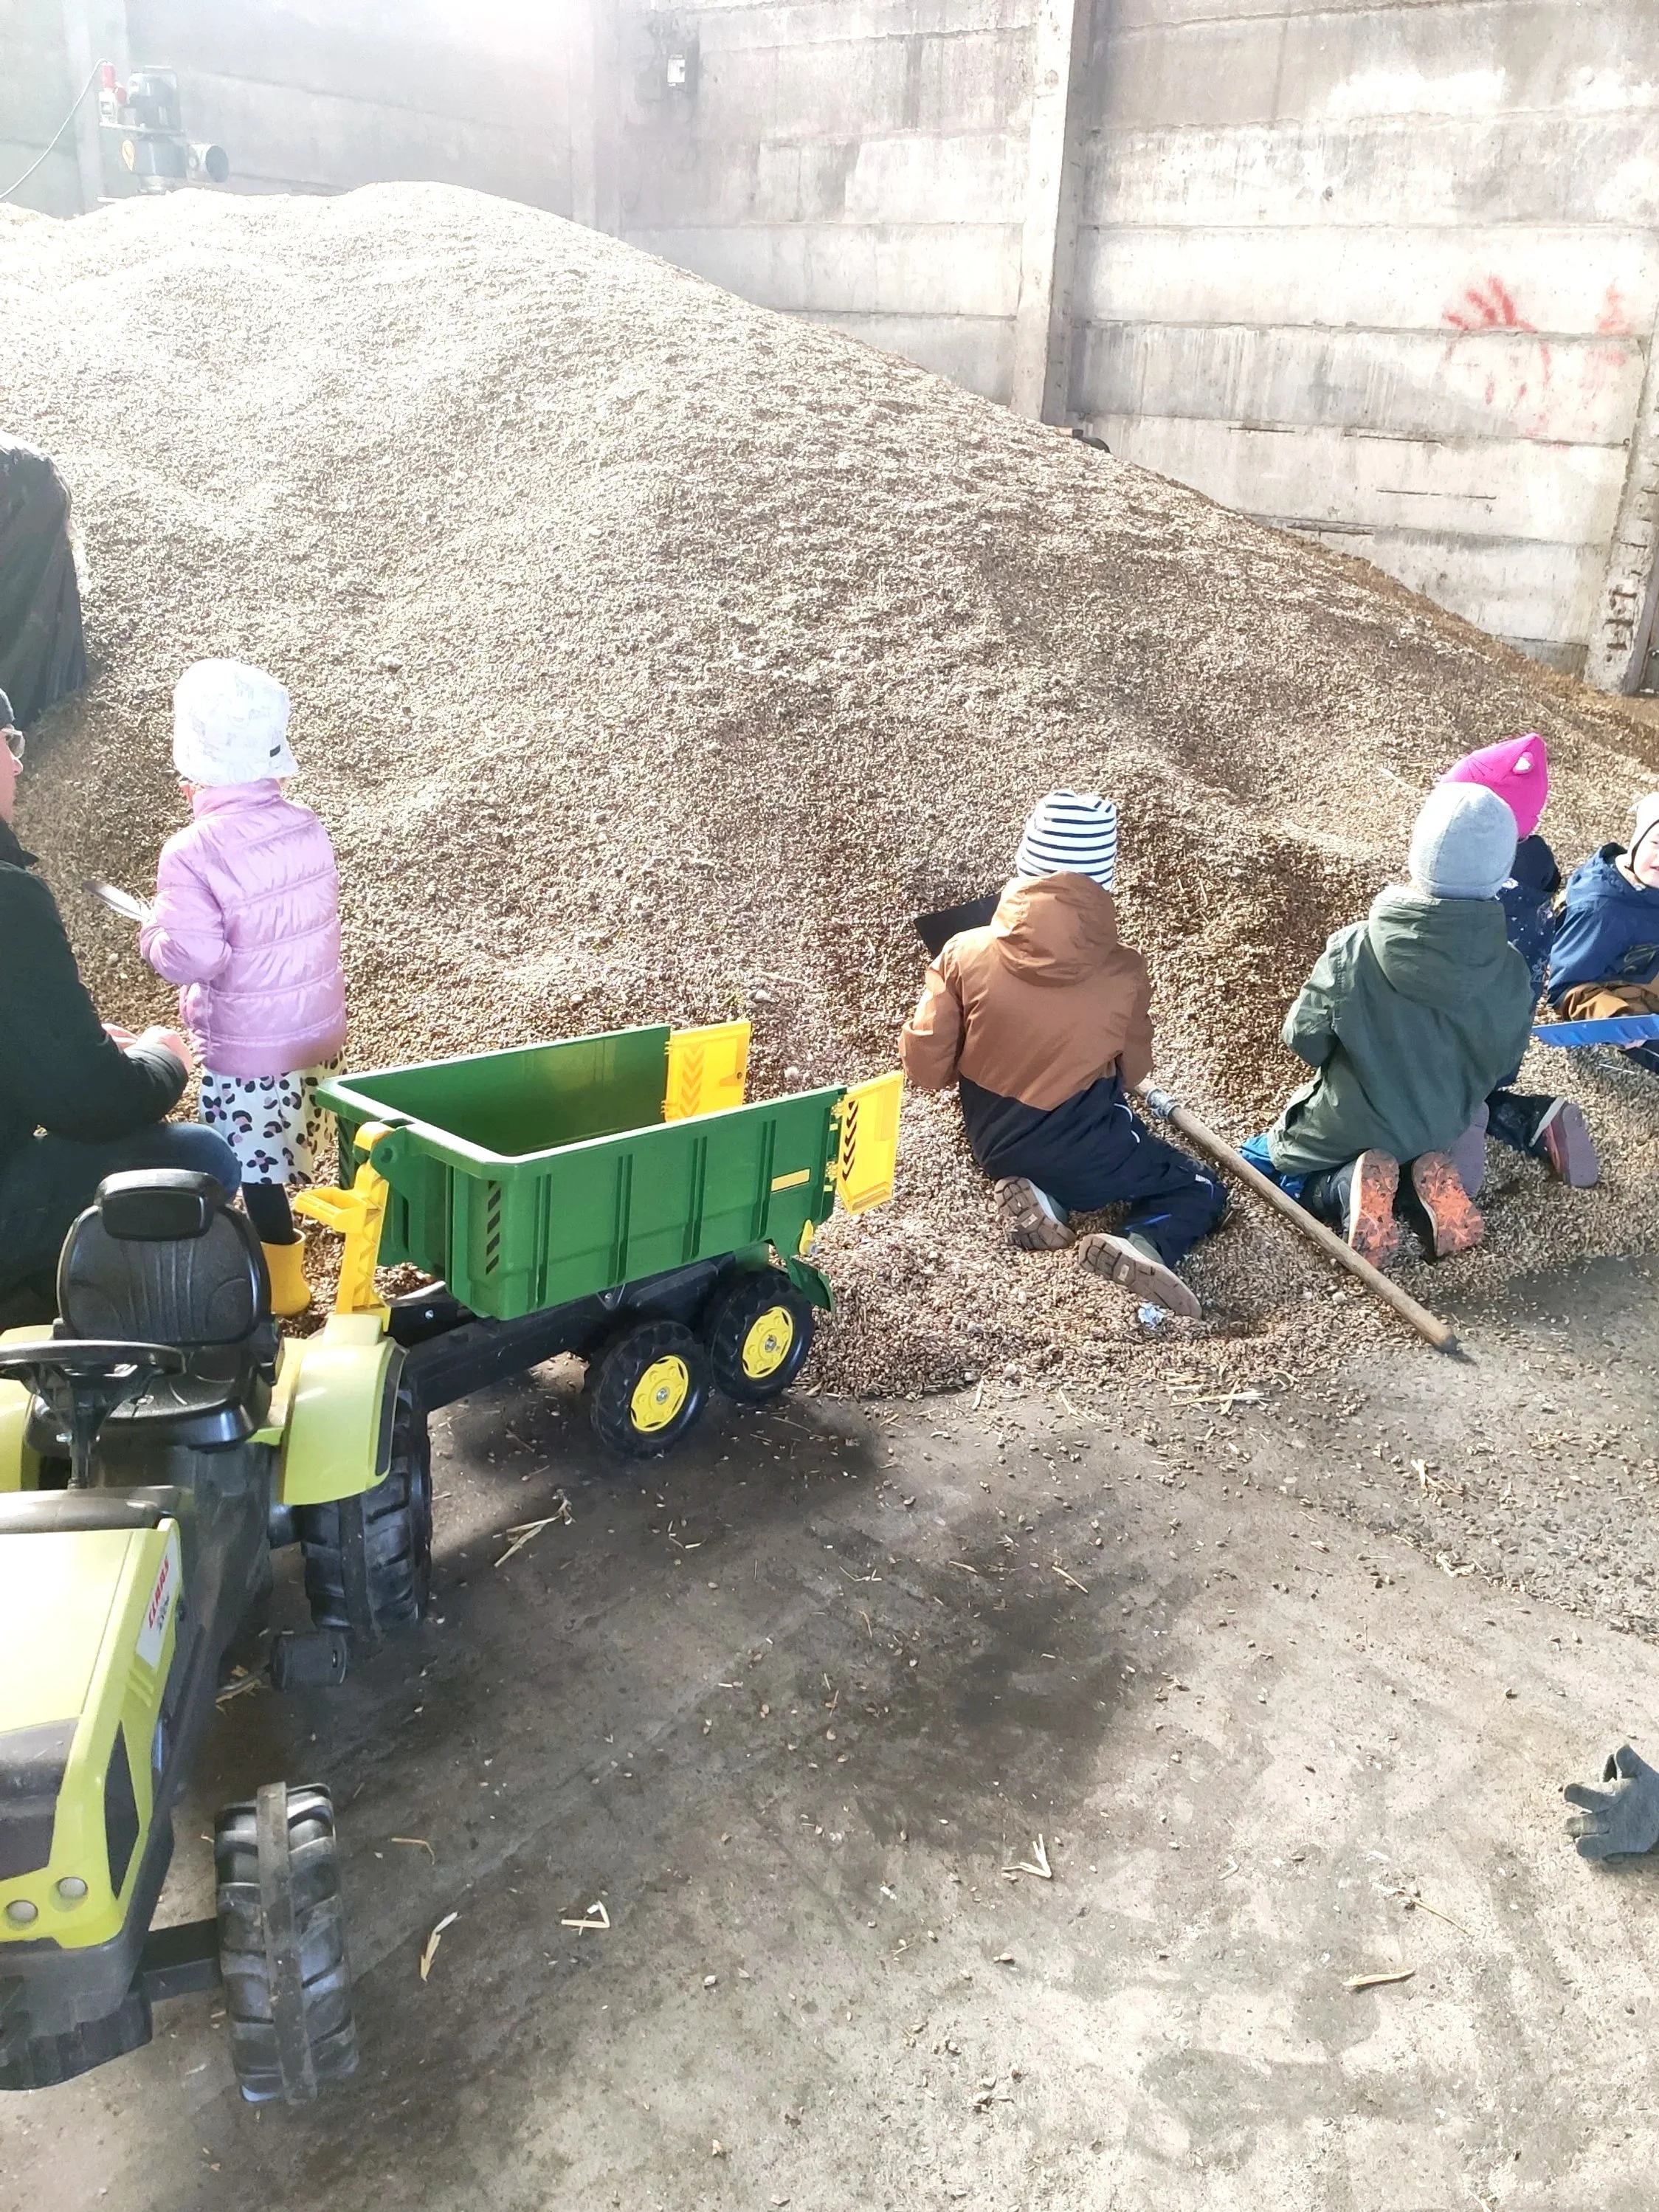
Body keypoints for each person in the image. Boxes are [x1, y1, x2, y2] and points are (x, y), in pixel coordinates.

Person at [898, 790, 1226, 1318]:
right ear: (1102, 883)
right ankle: (1142, 1243)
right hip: (1085, 1147)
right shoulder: (1123, 972)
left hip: (993, 1143)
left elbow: (925, 1068)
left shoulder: (962, 951)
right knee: (1201, 1187)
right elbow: (1133, 1072)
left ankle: (1045, 1199)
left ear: (1025, 865)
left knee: (1054, 1157)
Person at [0, 685, 240, 1322]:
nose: (20, 762)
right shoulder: (8, 902)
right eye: (7, 742)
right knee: (205, 1156)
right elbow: (93, 1104)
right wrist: (162, 1059)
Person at [1241, 785, 1535, 1263]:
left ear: (1416, 853)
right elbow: (1504, 1065)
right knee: (1410, 1153)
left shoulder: (1354, 947)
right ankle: (1417, 1188)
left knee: (1261, 1162)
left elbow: (1303, 1038)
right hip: (1441, 1124)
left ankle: (1341, 1187)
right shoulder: (1513, 970)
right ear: (1503, 874)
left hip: (1341, 1123)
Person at [139, 661, 348, 1317]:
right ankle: (353, 1247)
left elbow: (194, 956)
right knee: (309, 1141)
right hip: (318, 1030)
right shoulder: (307, 825)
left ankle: (283, 1286)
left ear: (191, 774)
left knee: (257, 1166)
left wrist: (153, 935)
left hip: (248, 1049)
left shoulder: (191, 851)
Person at [1438, 734, 1597, 1186]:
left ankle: (1451, 1130)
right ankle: (1536, 1118)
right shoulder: (1537, 862)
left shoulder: (1469, 881)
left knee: (1417, 1094)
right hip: (1504, 1046)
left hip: (1446, 1048)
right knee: (1486, 1089)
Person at [1546, 792, 1659, 1075]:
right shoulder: (1601, 912)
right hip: (1632, 999)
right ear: (1637, 841)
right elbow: (1565, 989)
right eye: (1657, 843)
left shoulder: (1648, 881)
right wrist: (1617, 1021)